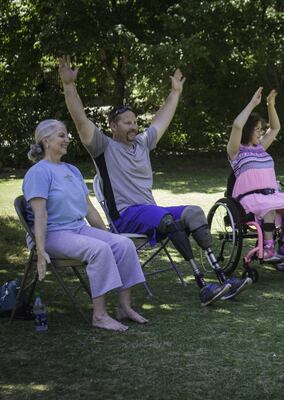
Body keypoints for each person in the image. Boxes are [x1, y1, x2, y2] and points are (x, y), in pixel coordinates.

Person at [58, 56, 250, 306]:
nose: (134, 126)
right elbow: (80, 120)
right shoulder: (102, 147)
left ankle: (222, 276)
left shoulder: (142, 143)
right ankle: (202, 283)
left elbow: (162, 119)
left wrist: (175, 92)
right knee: (167, 220)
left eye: (136, 121)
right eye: (128, 122)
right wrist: (69, 86)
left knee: (194, 213)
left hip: (151, 212)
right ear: (113, 126)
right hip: (126, 216)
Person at [23, 119, 147, 331]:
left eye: (67, 135)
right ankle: (99, 316)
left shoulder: (72, 170)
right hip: (52, 233)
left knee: (123, 244)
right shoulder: (38, 173)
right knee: (99, 250)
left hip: (77, 229)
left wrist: (108, 235)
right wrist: (41, 250)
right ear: (46, 141)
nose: (67, 139)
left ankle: (124, 307)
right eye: (62, 135)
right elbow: (40, 214)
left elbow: (89, 209)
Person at [227, 87, 284, 261]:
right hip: (249, 198)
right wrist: (253, 103)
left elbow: (275, 128)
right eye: (257, 129)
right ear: (248, 130)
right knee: (268, 210)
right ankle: (268, 248)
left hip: (272, 195)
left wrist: (271, 105)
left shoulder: (260, 147)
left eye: (261, 129)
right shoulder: (236, 151)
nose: (261, 132)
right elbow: (237, 125)